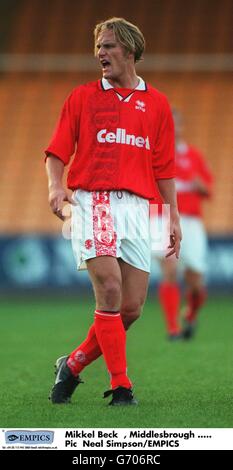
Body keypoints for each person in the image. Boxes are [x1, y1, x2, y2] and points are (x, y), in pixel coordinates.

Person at [45, 17, 182, 406]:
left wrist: (173, 215)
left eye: (108, 46)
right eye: (98, 48)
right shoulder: (82, 97)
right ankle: (121, 387)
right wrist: (57, 186)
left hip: (140, 207)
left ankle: (71, 364)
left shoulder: (157, 103)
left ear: (130, 49)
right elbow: (56, 151)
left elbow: (164, 168)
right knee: (108, 290)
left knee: (131, 308)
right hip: (94, 199)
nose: (100, 54)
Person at [152, 109, 213, 340]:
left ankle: (190, 315)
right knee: (169, 267)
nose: (172, 129)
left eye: (175, 124)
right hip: (161, 215)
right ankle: (172, 328)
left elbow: (209, 190)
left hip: (191, 220)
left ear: (180, 127)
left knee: (195, 281)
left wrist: (199, 185)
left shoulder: (194, 156)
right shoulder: (153, 154)